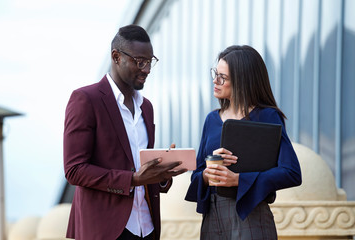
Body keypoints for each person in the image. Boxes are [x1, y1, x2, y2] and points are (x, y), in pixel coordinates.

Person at [63, 24, 187, 240]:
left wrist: (162, 175)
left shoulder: (146, 107)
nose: (147, 69)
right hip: (105, 229)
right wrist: (131, 179)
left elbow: (141, 170)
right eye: (140, 61)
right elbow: (74, 169)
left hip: (146, 227)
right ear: (116, 56)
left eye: (150, 61)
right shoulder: (86, 100)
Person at [185, 45, 302, 239]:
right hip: (212, 218)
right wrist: (207, 174)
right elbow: (197, 174)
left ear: (242, 81)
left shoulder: (267, 116)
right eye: (215, 73)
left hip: (250, 215)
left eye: (222, 77)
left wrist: (238, 180)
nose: (215, 81)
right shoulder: (211, 120)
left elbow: (291, 173)